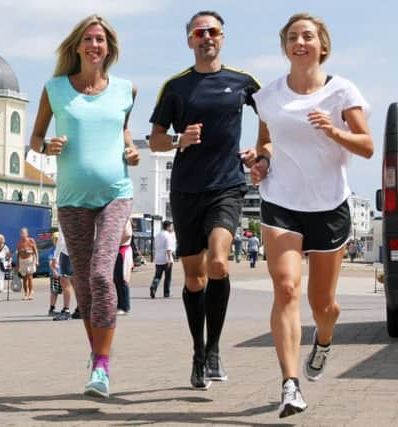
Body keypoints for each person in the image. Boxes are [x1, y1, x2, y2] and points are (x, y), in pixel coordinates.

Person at [249, 13, 373, 418]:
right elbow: (266, 142)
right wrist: (259, 160)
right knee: (286, 288)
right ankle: (290, 384)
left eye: (307, 36)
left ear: (322, 46)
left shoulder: (341, 91)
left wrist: (333, 132)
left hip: (328, 205)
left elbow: (368, 146)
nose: (299, 42)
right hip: (281, 202)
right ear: (285, 46)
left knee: (325, 305)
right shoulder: (268, 96)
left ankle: (323, 339)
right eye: (292, 37)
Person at [149, 10, 260, 390]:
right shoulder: (176, 87)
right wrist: (181, 139)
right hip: (185, 190)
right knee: (194, 278)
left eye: (213, 31)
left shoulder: (243, 82)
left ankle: (214, 350)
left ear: (222, 37)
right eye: (200, 32)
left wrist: (260, 152)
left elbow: (274, 119)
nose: (207, 37)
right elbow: (155, 139)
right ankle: (198, 353)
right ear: (190, 40)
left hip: (227, 186)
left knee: (218, 262)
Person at [30, 14, 139, 398]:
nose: (95, 45)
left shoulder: (126, 89)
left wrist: (130, 148)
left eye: (101, 40)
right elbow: (36, 138)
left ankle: (103, 366)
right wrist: (47, 147)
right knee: (84, 286)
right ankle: (97, 360)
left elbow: (122, 130)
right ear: (77, 46)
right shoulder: (55, 89)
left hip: (115, 193)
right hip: (72, 199)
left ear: (109, 49)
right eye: (89, 39)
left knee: (99, 275)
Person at [50, 227, 75, 321]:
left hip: (67, 252)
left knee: (65, 281)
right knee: (75, 281)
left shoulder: (65, 213)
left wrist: (55, 257)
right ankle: (81, 309)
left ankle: (66, 310)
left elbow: (62, 240)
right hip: (77, 250)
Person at [150, 220, 175, 298]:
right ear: (167, 227)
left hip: (158, 258)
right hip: (166, 258)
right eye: (171, 226)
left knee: (157, 276)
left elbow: (155, 247)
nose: (172, 228)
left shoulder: (158, 235)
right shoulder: (168, 236)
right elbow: (168, 249)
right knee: (168, 277)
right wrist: (170, 259)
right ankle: (166, 293)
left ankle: (153, 286)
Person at [114, 218, 134, 315]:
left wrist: (115, 242)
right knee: (117, 280)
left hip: (123, 250)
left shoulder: (125, 219)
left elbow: (128, 234)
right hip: (118, 250)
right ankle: (120, 305)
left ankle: (124, 306)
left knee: (122, 279)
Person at [16, 227, 39, 300]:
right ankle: (26, 293)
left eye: (24, 233)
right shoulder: (19, 243)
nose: (23, 235)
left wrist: (37, 260)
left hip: (30, 260)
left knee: (29, 277)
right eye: (22, 233)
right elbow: (18, 254)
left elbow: (35, 251)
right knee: (24, 278)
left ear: (27, 234)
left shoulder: (31, 240)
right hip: (22, 261)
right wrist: (17, 264)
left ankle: (30, 294)